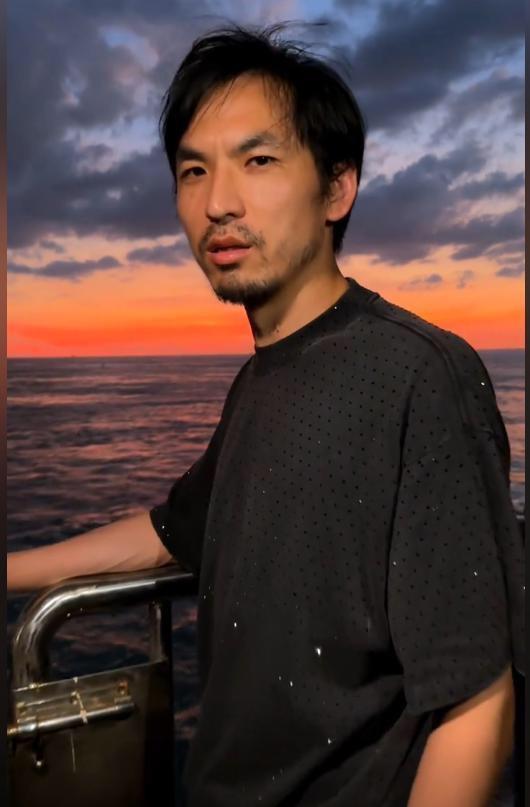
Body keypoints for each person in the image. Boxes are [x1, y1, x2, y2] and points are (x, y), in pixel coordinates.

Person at [8, 24, 524, 807]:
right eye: (194, 170)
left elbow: (476, 701)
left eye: (258, 161)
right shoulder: (260, 381)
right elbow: (173, 529)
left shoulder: (419, 374)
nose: (218, 202)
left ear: (337, 188)